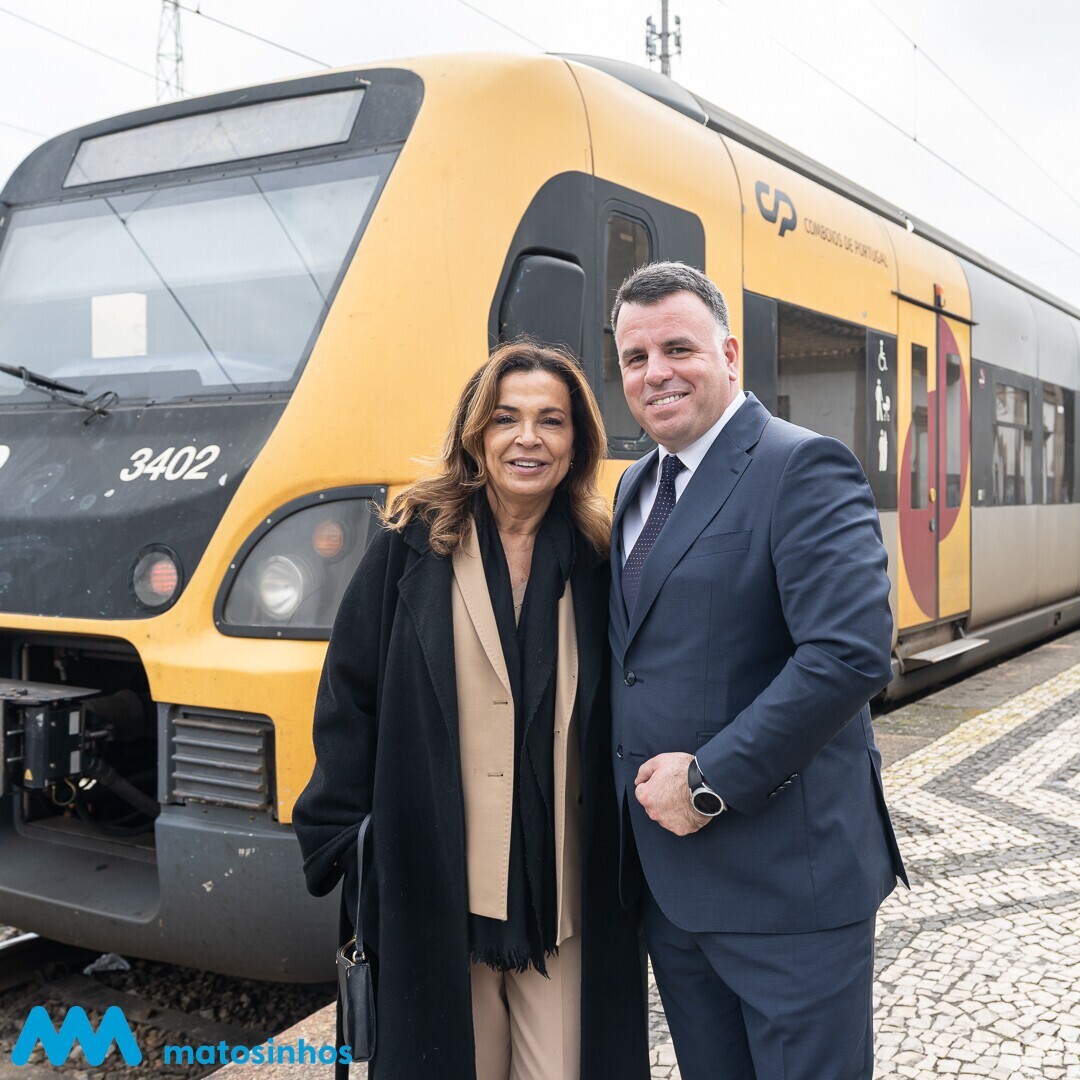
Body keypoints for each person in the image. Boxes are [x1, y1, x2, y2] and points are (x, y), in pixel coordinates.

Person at [294, 340, 650, 1080]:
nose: (528, 438)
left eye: (551, 421)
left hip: (566, 895)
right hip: (434, 887)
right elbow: (348, 693)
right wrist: (348, 836)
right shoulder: (410, 546)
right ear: (475, 435)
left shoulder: (600, 559)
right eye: (506, 418)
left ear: (577, 443)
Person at [608, 262, 907, 1080]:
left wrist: (708, 783)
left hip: (788, 890)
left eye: (678, 348)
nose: (655, 372)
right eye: (635, 357)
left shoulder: (802, 466)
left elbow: (849, 652)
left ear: (729, 354)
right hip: (674, 893)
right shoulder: (636, 484)